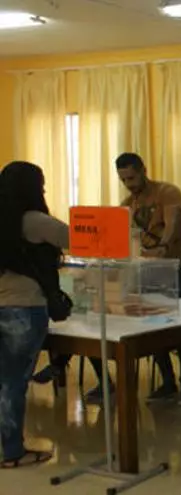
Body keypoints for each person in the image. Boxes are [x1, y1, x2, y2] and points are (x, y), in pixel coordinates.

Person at [0, 161, 67, 468]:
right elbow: (78, 238)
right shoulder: (35, 221)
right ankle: (13, 452)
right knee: (13, 382)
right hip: (23, 307)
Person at [116, 152, 181, 405]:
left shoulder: (167, 193)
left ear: (143, 170)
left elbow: (173, 224)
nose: (128, 184)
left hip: (176, 269)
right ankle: (168, 383)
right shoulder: (127, 204)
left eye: (131, 177)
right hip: (146, 272)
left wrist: (162, 247)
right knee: (153, 329)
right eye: (123, 180)